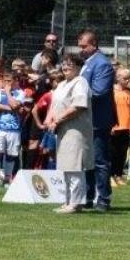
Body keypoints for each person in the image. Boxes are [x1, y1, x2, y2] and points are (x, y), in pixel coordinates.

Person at [45, 54, 93, 213]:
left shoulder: (81, 82)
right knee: (66, 166)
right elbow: (54, 104)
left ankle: (76, 203)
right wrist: (49, 119)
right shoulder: (62, 84)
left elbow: (78, 106)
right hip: (62, 130)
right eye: (64, 64)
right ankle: (68, 201)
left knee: (74, 166)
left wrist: (57, 120)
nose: (65, 67)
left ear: (79, 67)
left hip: (76, 130)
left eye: (70, 65)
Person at [76, 29, 115, 210]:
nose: (81, 49)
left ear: (93, 44)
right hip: (86, 119)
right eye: (79, 46)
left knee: (99, 160)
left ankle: (104, 199)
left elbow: (99, 91)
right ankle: (88, 196)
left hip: (98, 120)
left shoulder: (102, 64)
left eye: (83, 46)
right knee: (87, 160)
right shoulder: (87, 63)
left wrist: (75, 95)